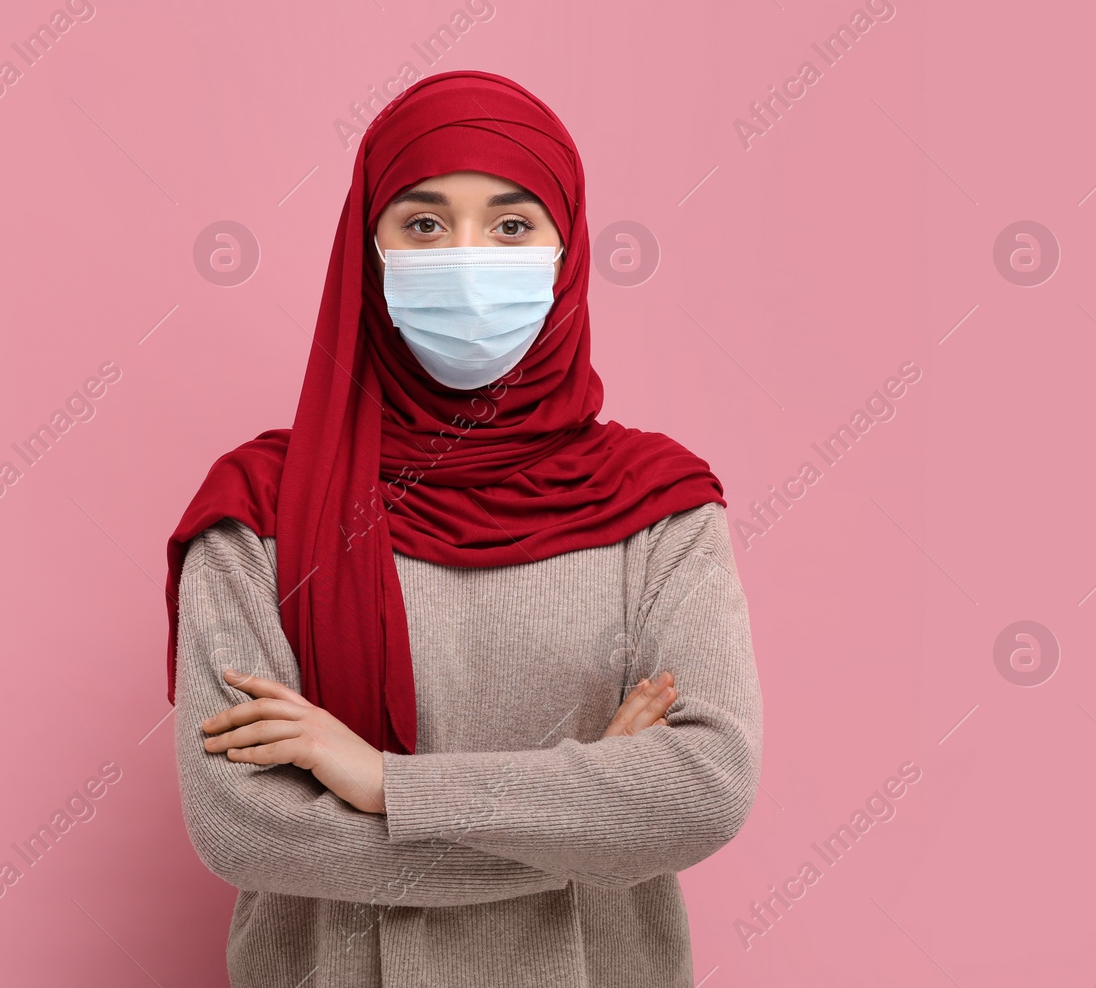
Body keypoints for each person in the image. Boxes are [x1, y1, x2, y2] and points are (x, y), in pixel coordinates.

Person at [164, 69, 763, 987]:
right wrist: (588, 808)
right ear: (368, 251)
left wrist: (385, 785)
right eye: (425, 223)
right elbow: (248, 828)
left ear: (569, 255)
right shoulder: (259, 513)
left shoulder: (658, 505)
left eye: (512, 226)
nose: (467, 258)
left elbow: (705, 787)